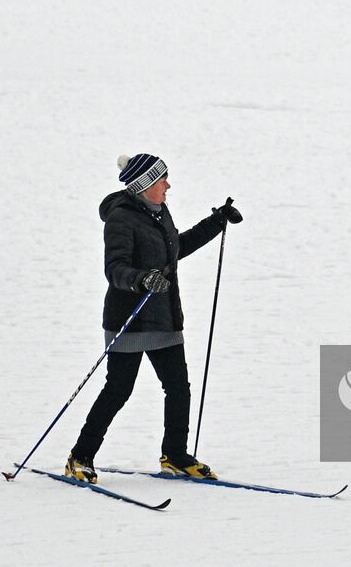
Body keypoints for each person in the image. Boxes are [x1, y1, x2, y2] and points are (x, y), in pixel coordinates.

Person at [66, 153, 243, 484]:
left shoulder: (158, 212)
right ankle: (80, 457)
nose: (168, 185)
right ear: (146, 184)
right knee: (118, 390)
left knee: (178, 388)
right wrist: (141, 279)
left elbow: (176, 248)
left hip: (163, 317)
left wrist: (216, 221)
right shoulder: (121, 219)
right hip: (130, 319)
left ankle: (175, 456)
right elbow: (115, 268)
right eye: (163, 180)